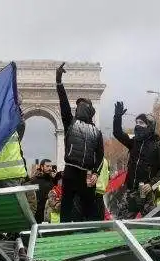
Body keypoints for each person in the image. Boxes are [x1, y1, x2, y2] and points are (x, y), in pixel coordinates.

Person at [56, 62, 104, 222]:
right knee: (68, 207)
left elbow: (100, 156)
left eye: (80, 105)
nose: (78, 108)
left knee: (83, 209)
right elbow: (63, 102)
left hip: (86, 174)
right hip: (74, 171)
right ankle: (63, 233)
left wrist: (96, 173)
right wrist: (58, 81)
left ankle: (83, 234)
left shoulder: (94, 131)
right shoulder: (71, 122)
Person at [113, 102, 160, 218]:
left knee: (151, 227)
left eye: (142, 123)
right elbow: (117, 133)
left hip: (148, 193)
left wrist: (152, 185)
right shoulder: (133, 140)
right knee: (122, 223)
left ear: (150, 126)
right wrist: (117, 117)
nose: (138, 125)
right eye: (137, 123)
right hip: (130, 192)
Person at [29, 159, 56, 224]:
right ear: (42, 167)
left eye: (50, 166)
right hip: (38, 213)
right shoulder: (34, 180)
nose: (50, 168)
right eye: (47, 166)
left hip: (51, 213)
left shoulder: (53, 180)